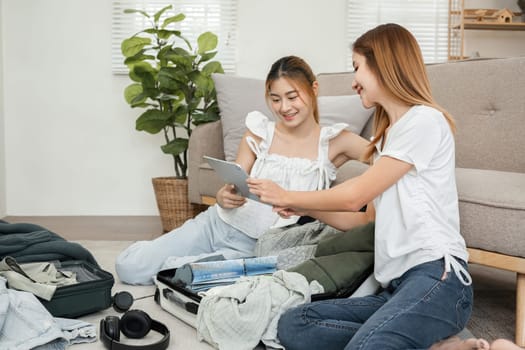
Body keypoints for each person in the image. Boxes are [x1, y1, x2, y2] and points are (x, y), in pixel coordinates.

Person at [247, 24, 523, 350]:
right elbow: (363, 219)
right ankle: (435, 345)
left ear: (383, 66)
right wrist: (304, 208)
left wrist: (287, 193)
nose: (353, 81)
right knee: (295, 325)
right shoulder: (386, 141)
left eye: (357, 68)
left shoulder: (424, 121)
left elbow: (355, 197)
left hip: (439, 280)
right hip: (396, 288)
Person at [115, 55, 370, 285]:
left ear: (314, 89)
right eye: (275, 99)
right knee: (129, 267)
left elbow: (388, 160)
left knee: (178, 276)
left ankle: (190, 265)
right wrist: (223, 195)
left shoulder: (335, 141)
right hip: (217, 224)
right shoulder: (259, 131)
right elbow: (234, 179)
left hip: (255, 248)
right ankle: (162, 252)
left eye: (292, 97)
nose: (284, 107)